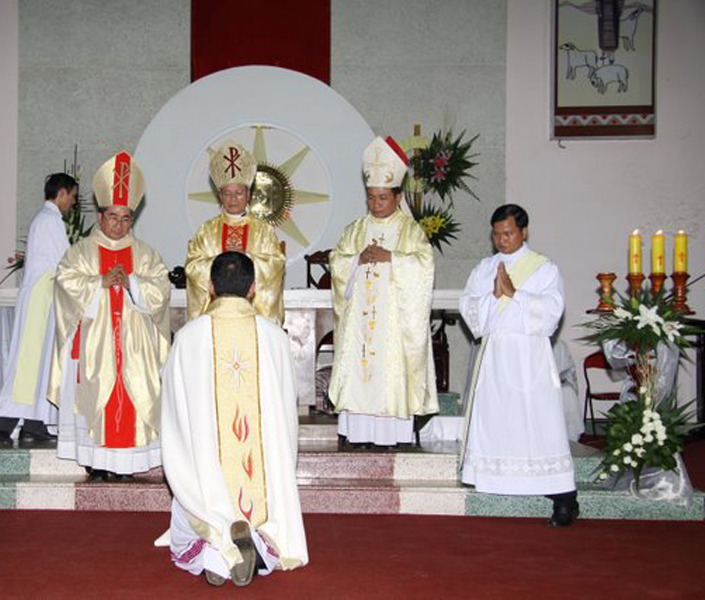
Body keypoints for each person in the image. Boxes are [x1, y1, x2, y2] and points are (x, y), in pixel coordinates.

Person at [158, 252, 308, 587]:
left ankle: (217, 554)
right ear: (253, 288)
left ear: (210, 287)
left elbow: (172, 400)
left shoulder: (189, 336)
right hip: (261, 472)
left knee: (195, 506)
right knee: (268, 517)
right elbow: (288, 402)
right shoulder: (274, 337)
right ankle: (250, 545)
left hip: (206, 464)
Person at [48, 151, 170, 479]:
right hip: (95, 345)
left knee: (131, 398)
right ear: (101, 217)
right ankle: (97, 462)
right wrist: (99, 283)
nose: (119, 224)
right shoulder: (80, 252)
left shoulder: (145, 254)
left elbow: (160, 291)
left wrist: (132, 283)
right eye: (113, 217)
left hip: (134, 348)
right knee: (96, 398)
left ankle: (127, 464)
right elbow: (64, 284)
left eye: (126, 218)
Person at [459, 204, 579, 527]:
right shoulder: (485, 269)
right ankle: (495, 482)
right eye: (497, 234)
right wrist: (494, 297)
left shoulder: (543, 268)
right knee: (498, 421)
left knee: (540, 424)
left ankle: (564, 499)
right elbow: (470, 309)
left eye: (508, 233)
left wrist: (515, 294)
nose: (502, 240)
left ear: (524, 232)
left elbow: (551, 313)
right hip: (496, 356)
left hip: (529, 357)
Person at [328, 136, 438, 447]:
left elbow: (424, 265)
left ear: (398, 196)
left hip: (392, 326)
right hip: (360, 326)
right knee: (360, 372)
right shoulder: (356, 230)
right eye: (371, 198)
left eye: (383, 198)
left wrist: (392, 258)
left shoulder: (410, 231)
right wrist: (355, 260)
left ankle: (392, 436)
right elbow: (337, 261)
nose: (376, 204)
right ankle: (359, 434)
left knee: (389, 375)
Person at [0, 172, 77, 443]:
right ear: (61, 193)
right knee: (31, 361)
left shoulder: (43, 218)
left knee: (40, 363)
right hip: (41, 297)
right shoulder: (51, 220)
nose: (73, 203)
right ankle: (3, 422)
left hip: (42, 294)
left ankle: (34, 424)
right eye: (72, 196)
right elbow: (65, 262)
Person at [185, 141, 285, 325]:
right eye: (227, 193)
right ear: (220, 196)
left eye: (238, 193)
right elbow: (192, 267)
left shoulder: (263, 230)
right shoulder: (206, 230)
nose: (232, 199)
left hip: (252, 315)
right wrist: (222, 261)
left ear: (248, 195)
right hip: (215, 315)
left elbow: (275, 264)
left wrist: (246, 258)